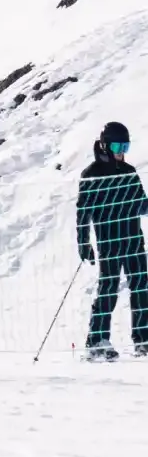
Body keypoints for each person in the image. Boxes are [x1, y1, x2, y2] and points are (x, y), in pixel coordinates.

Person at [79, 121, 148, 361]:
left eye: (125, 146)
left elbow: (142, 203)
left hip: (133, 241)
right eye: (118, 145)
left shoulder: (129, 171)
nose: (122, 151)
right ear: (106, 145)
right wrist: (83, 242)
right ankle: (97, 340)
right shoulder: (91, 174)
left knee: (141, 287)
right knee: (108, 290)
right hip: (109, 243)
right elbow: (82, 212)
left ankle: (143, 339)